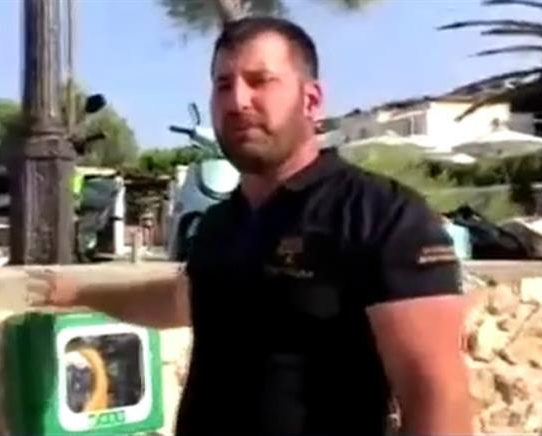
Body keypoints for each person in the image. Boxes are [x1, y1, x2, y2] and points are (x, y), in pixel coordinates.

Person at [31, 16, 472, 435]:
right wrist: (77, 293)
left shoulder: (382, 215)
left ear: (311, 100)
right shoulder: (219, 223)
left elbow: (436, 395)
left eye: (260, 81)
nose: (238, 100)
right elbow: (181, 301)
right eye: (224, 85)